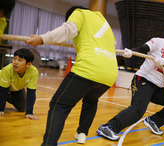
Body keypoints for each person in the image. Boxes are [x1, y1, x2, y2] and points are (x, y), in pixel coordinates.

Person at [25, 6, 118, 145]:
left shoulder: (79, 13)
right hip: (110, 73)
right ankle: (82, 134)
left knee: (59, 104)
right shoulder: (103, 21)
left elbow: (68, 30)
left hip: (89, 68)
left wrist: (42, 38)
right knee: (91, 101)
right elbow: (113, 44)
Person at [97, 28, 164, 140]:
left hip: (158, 87)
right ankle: (109, 127)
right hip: (143, 80)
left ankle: (154, 121)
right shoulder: (158, 41)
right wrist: (131, 52)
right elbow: (142, 49)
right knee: (138, 109)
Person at [0, 48, 39, 120]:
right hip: (2, 87)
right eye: (14, 59)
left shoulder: (33, 72)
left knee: (22, 108)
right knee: (3, 94)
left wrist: (29, 112)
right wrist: (1, 109)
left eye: (20, 60)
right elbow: (3, 91)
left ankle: (7, 97)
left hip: (16, 89)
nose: (15, 62)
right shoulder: (7, 70)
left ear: (28, 64)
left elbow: (31, 93)